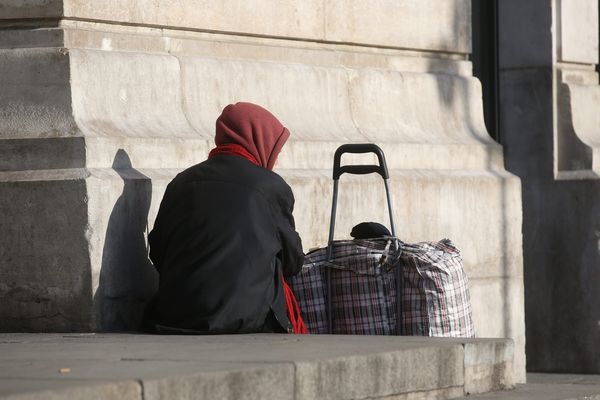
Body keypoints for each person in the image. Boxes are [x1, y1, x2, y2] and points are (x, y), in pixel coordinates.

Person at [144, 102, 306, 334]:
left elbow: (158, 252)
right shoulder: (270, 186)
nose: (276, 160)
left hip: (175, 316)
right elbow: (293, 262)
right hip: (246, 319)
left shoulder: (181, 182)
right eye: (276, 151)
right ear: (259, 141)